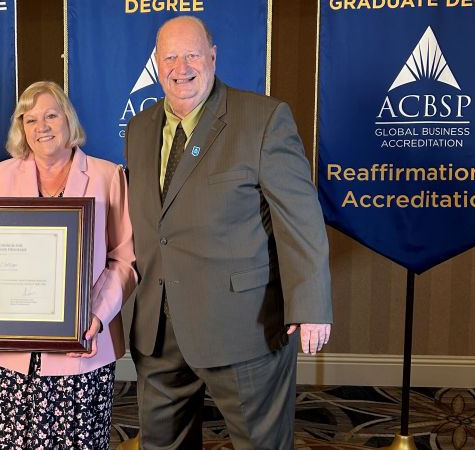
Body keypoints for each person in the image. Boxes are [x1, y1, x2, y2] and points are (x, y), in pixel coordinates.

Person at [123, 16, 333, 449]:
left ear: (213, 57)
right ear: (157, 65)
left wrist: (310, 304)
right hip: (159, 331)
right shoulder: (140, 129)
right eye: (170, 57)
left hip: (244, 327)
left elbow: (300, 219)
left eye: (192, 54)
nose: (182, 67)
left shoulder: (263, 119)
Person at [0, 81, 137, 449]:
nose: (42, 127)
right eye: (30, 119)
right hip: (13, 352)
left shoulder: (107, 176)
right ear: (21, 127)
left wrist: (96, 316)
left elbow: (124, 259)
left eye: (51, 115)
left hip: (83, 345)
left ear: (68, 120)